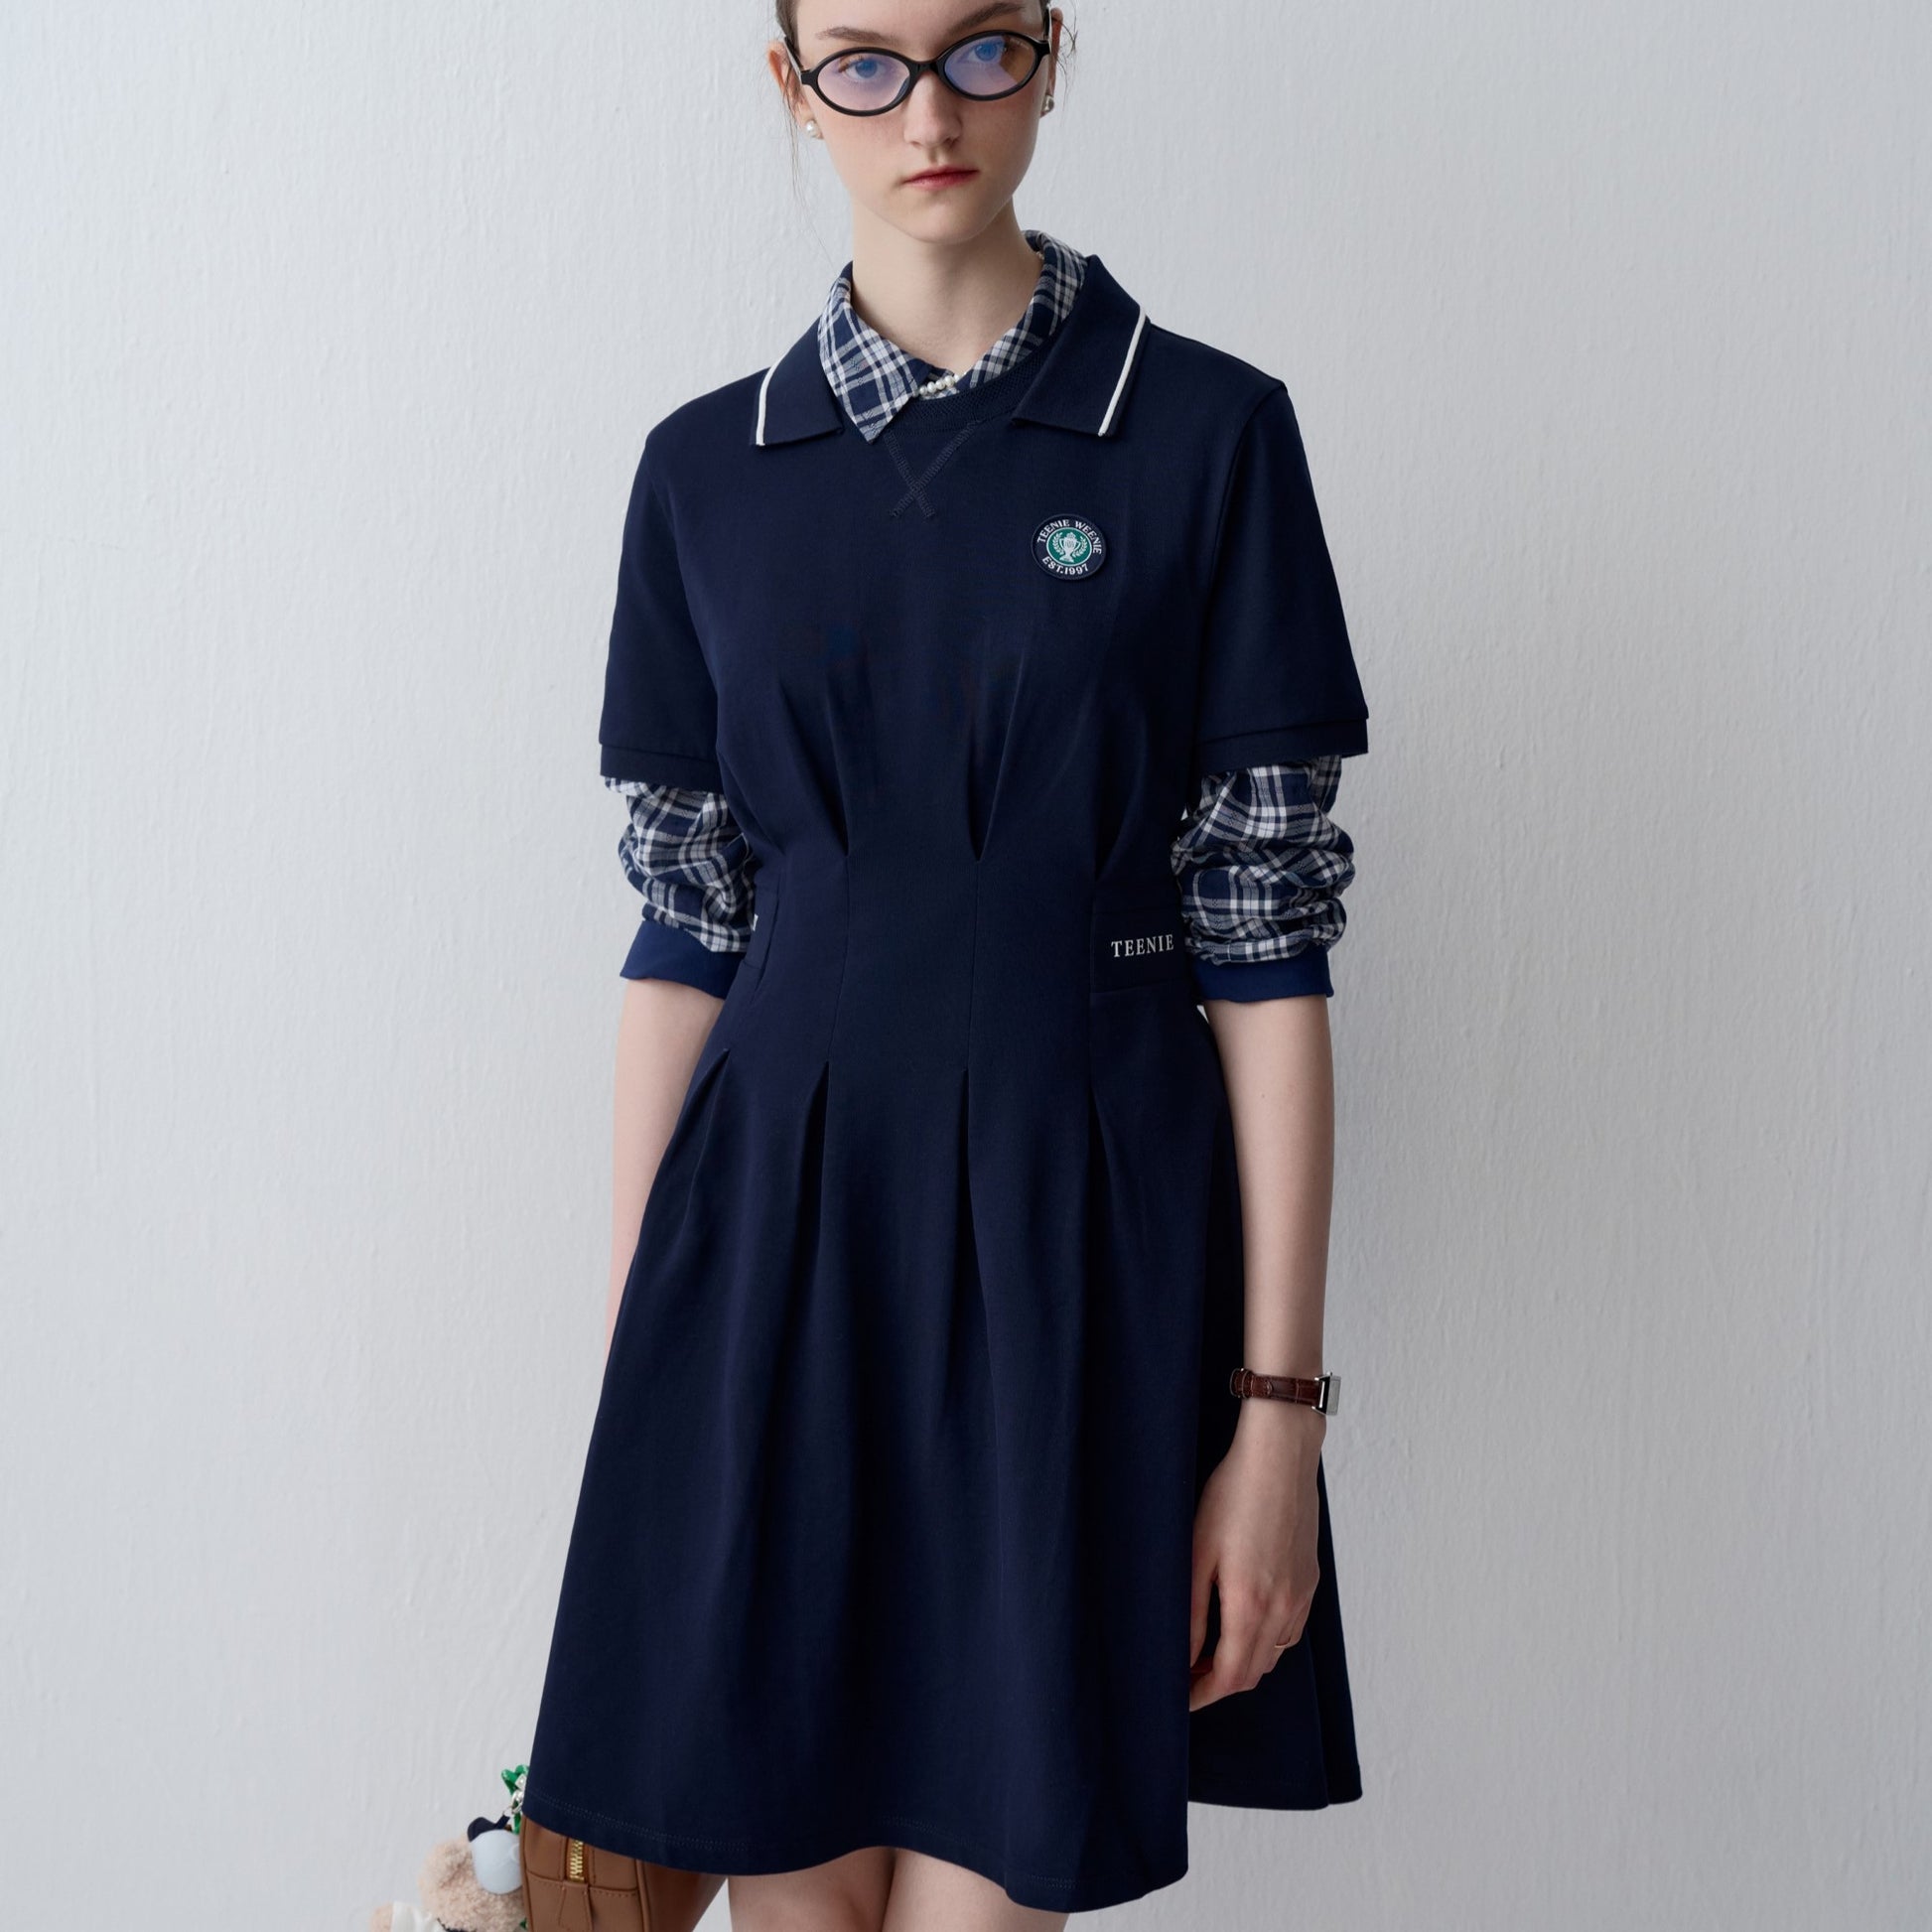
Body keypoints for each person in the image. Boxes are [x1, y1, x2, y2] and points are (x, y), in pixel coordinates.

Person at [523, 4, 1369, 1926]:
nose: (929, 112)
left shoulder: (1208, 433)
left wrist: (1275, 1416)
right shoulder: (703, 469)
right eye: (866, 62)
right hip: (770, 1255)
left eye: (982, 50)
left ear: (1053, 54)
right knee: (788, 1901)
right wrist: (647, 1365)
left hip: (1082, 1245)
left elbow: (1265, 939)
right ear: (790, 82)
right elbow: (685, 931)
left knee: (997, 1878)